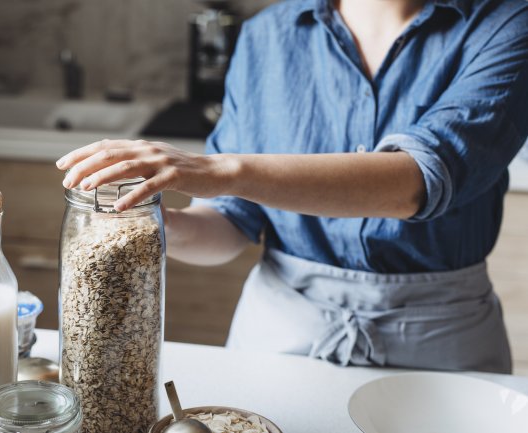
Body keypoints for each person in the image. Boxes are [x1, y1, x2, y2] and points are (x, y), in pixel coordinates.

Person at [56, 0, 528, 373]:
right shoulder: (267, 35)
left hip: (441, 344)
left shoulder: (507, 23)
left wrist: (220, 170)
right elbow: (230, 222)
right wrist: (154, 223)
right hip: (279, 336)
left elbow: (417, 180)